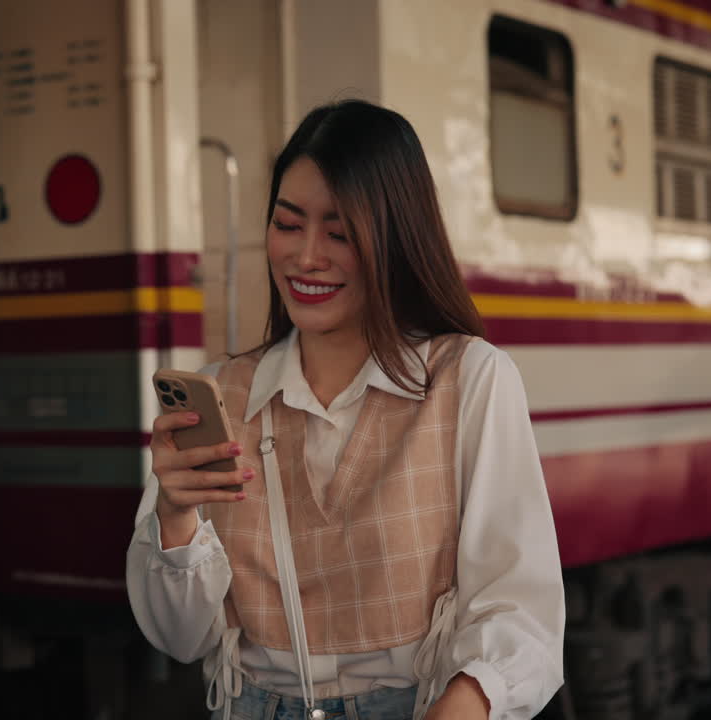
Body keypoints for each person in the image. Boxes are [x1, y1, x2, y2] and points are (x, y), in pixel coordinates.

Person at [125, 100, 564, 720]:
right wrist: (174, 517)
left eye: (340, 233)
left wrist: (467, 700)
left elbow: (521, 608)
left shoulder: (469, 379)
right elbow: (181, 639)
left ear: (396, 238)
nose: (306, 257)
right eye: (287, 224)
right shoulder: (222, 393)